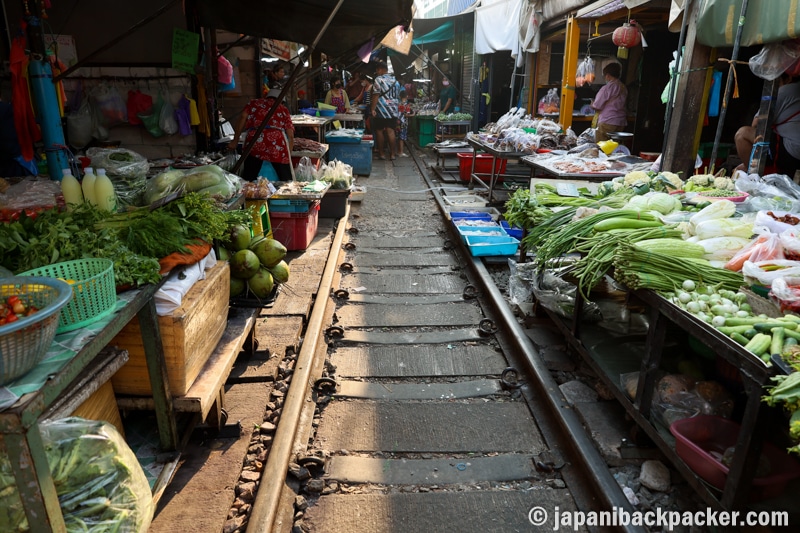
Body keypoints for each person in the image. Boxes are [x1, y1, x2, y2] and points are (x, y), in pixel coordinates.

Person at [735, 73, 800, 178]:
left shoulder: (786, 90)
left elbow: (756, 124)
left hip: (791, 149)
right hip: (790, 149)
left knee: (742, 134)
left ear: (789, 78)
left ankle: (753, 177)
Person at [227, 87, 295, 181]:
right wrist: (288, 156)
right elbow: (290, 135)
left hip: (255, 140)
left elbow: (243, 117)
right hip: (276, 143)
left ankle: (247, 193)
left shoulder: (253, 103)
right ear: (281, 101)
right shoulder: (283, 109)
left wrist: (235, 141)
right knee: (286, 178)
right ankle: (290, 191)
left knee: (249, 177)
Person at [370, 61, 401, 160]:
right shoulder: (395, 81)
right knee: (391, 131)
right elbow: (397, 96)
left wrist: (372, 109)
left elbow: (376, 95)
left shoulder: (378, 80)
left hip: (381, 109)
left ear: (380, 69)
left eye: (377, 70)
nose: (377, 72)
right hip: (393, 110)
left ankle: (382, 154)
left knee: (379, 131)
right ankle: (392, 154)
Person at [591, 62, 628, 142]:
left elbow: (597, 105)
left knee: (602, 146)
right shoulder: (623, 87)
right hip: (620, 122)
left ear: (607, 75)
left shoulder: (606, 88)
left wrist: (592, 104)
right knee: (614, 146)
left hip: (607, 121)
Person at [396, 89, 413, 158]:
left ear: (400, 96)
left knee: (399, 137)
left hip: (398, 122)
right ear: (407, 96)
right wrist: (413, 114)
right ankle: (401, 152)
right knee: (402, 138)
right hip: (404, 123)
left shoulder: (398, 103)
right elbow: (406, 115)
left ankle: (398, 151)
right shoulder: (406, 105)